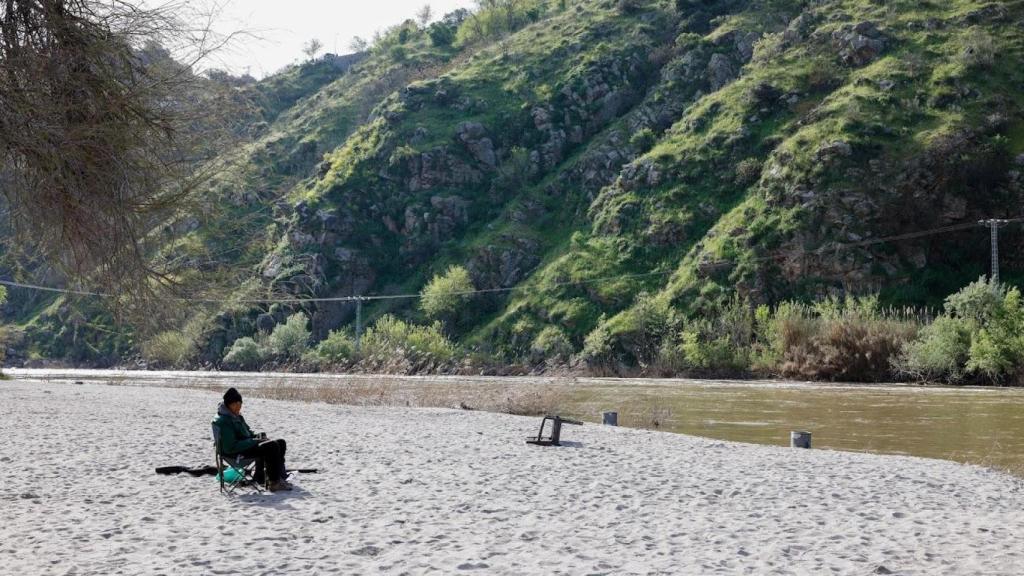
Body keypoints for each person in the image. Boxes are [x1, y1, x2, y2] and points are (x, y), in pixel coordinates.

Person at [214, 388, 292, 491]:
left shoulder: (235, 416)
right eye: (236, 405)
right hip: (235, 454)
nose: (239, 407)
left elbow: (247, 432)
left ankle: (273, 477)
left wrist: (257, 436)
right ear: (229, 404)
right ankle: (274, 483)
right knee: (271, 446)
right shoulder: (224, 421)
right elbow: (230, 447)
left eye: (240, 404)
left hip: (243, 447)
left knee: (280, 442)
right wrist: (254, 441)